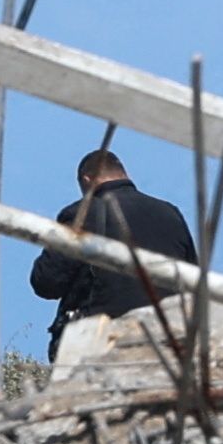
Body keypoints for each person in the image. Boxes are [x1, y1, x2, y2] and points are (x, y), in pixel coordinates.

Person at [25, 146, 200, 354]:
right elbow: (192, 280)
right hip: (168, 338)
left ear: (87, 180)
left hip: (105, 340)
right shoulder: (170, 214)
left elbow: (46, 282)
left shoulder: (81, 214)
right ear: (124, 174)